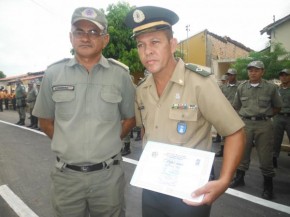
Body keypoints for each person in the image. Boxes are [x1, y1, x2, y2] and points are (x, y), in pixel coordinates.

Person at [125, 6, 245, 217]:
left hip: (190, 191)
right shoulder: (143, 89)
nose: (147, 51)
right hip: (152, 187)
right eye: (141, 45)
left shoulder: (199, 82)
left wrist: (224, 181)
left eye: (155, 42)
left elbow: (234, 132)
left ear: (172, 44)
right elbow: (145, 129)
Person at [33, 7, 136, 217]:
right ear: (71, 37)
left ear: (105, 39)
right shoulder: (54, 74)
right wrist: (68, 142)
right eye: (79, 31)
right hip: (67, 178)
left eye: (93, 32)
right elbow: (45, 121)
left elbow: (129, 119)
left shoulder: (121, 76)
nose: (86, 38)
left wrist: (107, 142)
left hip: (108, 178)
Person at [230, 60, 282, 200]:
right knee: (242, 153)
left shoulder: (270, 88)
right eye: (250, 70)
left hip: (264, 125)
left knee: (265, 156)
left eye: (256, 70)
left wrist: (266, 116)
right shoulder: (242, 87)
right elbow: (236, 105)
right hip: (246, 124)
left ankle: (268, 185)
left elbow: (277, 106)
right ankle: (239, 178)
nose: (253, 73)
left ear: (262, 72)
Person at [216, 68, 240, 157]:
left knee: (237, 132)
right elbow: (219, 99)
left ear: (235, 76)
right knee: (225, 132)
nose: (229, 76)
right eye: (228, 75)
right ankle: (222, 150)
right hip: (226, 112)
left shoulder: (240, 86)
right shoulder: (223, 87)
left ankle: (236, 151)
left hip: (237, 112)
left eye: (231, 75)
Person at [273, 68, 290, 168]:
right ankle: (274, 158)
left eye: (286, 75)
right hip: (278, 117)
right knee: (275, 139)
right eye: (282, 75)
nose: (283, 77)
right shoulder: (276, 90)